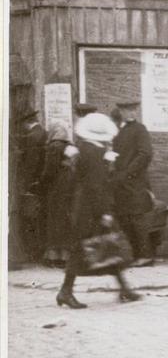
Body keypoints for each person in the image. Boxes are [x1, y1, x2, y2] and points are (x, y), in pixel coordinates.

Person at [57, 113, 141, 309]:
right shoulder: (95, 153)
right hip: (92, 209)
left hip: (83, 206)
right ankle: (65, 291)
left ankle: (124, 289)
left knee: (109, 246)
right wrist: (104, 212)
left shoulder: (83, 149)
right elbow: (96, 186)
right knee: (94, 247)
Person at [110, 101, 154, 267]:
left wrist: (128, 173)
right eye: (127, 110)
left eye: (134, 110)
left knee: (137, 218)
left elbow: (145, 154)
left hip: (134, 181)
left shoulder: (139, 129)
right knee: (125, 218)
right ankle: (136, 254)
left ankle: (145, 255)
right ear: (120, 111)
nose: (131, 113)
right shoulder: (119, 130)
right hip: (120, 182)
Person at [39, 122, 77, 268]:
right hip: (70, 188)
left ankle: (54, 256)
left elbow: (50, 170)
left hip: (57, 188)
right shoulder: (71, 147)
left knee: (55, 220)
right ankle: (66, 256)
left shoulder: (54, 146)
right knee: (66, 220)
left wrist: (41, 183)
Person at [15, 110, 48, 263]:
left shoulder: (31, 137)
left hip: (33, 183)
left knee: (32, 218)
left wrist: (27, 183)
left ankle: (34, 253)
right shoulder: (44, 132)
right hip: (44, 183)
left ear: (26, 122)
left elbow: (31, 165)